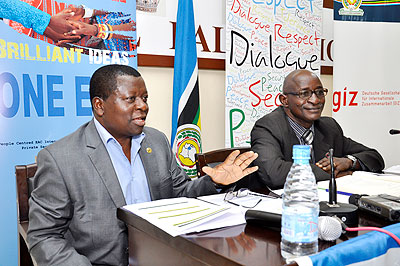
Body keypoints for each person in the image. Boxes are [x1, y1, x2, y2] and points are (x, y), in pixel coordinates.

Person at [27, 64, 259, 266]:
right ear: (99, 106)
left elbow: (180, 194)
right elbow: (44, 236)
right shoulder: (60, 158)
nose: (143, 106)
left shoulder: (156, 141)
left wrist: (213, 181)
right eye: (131, 99)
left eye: (145, 98)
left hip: (164, 255)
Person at [251, 69, 384, 189]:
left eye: (320, 92)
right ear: (284, 100)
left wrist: (349, 162)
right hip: (284, 206)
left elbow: (374, 157)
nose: (315, 100)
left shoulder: (329, 126)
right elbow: (274, 173)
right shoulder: (267, 126)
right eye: (304, 94)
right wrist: (334, 174)